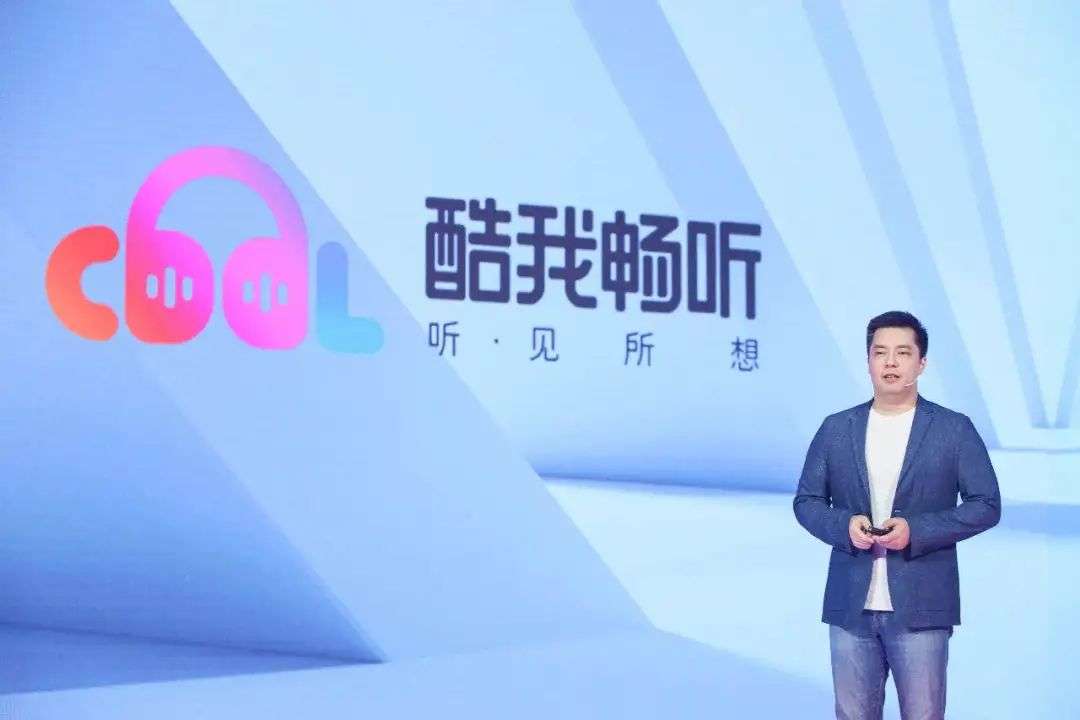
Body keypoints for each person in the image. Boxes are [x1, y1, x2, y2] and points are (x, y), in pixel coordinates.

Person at [793, 311, 1001, 720]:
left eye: (902, 353)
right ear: (868, 361)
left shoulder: (953, 429)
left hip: (922, 607)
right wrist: (844, 526)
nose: (890, 362)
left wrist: (916, 531)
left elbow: (986, 504)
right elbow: (807, 501)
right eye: (880, 352)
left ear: (921, 363)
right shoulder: (836, 428)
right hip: (851, 607)